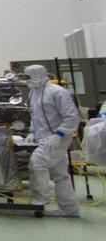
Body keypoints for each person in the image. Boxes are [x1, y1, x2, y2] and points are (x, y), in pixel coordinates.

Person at [24, 65, 81, 217]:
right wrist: (32, 132)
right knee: (60, 175)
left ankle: (40, 199)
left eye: (28, 77)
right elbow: (34, 116)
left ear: (38, 75)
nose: (26, 80)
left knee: (36, 162)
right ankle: (69, 209)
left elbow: (72, 117)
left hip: (58, 138)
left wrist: (59, 134)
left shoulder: (57, 92)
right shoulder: (33, 93)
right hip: (43, 138)